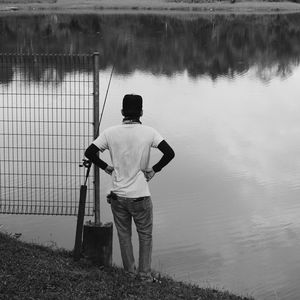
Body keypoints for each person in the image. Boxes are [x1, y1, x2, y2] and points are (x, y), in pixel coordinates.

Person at [84, 94, 175, 280]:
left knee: (124, 235)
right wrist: (154, 170)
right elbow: (169, 153)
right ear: (141, 112)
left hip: (118, 197)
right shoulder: (149, 132)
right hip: (140, 196)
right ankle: (144, 276)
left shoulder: (110, 132)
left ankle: (129, 273)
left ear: (122, 112)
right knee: (145, 236)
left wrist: (107, 167)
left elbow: (90, 152)